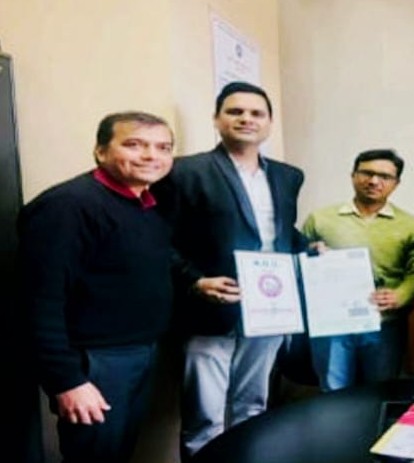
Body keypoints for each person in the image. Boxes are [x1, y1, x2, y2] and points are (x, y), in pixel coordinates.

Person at [152, 81, 307, 458]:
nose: (246, 119)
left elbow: (280, 231)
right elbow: (158, 240)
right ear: (217, 119)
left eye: (256, 113)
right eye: (235, 111)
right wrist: (196, 281)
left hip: (271, 308)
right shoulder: (185, 171)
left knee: (253, 406)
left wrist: (310, 247)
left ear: (269, 123)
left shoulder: (288, 176)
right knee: (204, 415)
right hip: (209, 309)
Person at [18, 111, 175, 463]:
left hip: (140, 353)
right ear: (101, 151)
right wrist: (67, 380)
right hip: (96, 362)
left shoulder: (146, 204)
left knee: (117, 454)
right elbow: (39, 300)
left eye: (163, 147)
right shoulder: (68, 206)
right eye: (134, 144)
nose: (151, 155)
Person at [302, 149, 414, 391]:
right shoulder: (320, 218)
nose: (374, 181)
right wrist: (309, 252)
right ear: (353, 175)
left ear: (396, 183)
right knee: (333, 389)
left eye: (384, 176)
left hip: (384, 322)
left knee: (380, 390)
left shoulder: (411, 225)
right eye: (366, 173)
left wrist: (400, 295)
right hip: (332, 323)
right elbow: (298, 259)